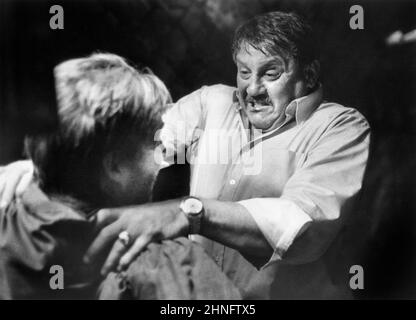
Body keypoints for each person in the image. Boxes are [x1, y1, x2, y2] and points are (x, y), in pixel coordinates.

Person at [0, 12, 370, 299]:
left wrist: (188, 212)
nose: (253, 88)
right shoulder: (212, 101)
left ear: (309, 73)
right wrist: (41, 167)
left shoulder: (341, 127)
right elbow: (126, 137)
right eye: (244, 72)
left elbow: (302, 222)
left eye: (270, 73)